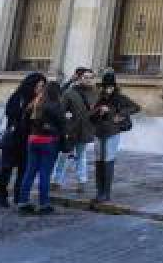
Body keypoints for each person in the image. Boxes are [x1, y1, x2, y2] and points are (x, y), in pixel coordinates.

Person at [89, 70, 139, 206]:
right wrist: (99, 110)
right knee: (99, 161)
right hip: (99, 132)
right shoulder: (98, 97)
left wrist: (117, 113)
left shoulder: (120, 98)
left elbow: (136, 107)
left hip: (112, 132)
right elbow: (90, 114)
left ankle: (106, 193)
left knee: (108, 161)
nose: (108, 89)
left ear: (114, 86)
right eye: (106, 86)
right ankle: (99, 192)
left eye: (111, 86)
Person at [0, 72, 45, 208]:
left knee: (24, 170)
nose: (40, 89)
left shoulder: (40, 100)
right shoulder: (18, 97)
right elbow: (10, 113)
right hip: (13, 139)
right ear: (31, 85)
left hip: (28, 140)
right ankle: (0, 197)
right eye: (39, 86)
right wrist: (27, 109)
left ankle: (19, 197)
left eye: (42, 86)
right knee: (6, 169)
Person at [16, 79, 65, 214]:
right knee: (45, 174)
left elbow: (24, 121)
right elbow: (62, 126)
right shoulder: (56, 105)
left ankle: (22, 202)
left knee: (29, 172)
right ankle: (44, 204)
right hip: (49, 142)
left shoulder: (35, 103)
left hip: (32, 140)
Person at [51, 67, 97, 194]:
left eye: (91, 78)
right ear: (80, 78)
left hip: (85, 130)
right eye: (85, 77)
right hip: (70, 130)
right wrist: (67, 116)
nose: (88, 80)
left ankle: (82, 181)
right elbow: (61, 110)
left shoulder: (96, 94)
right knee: (64, 155)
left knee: (81, 156)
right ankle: (56, 181)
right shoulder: (70, 93)